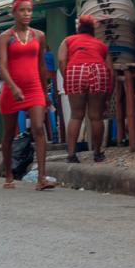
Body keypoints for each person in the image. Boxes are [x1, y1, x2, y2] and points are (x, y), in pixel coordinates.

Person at [0, 0, 52, 190]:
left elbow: (41, 66)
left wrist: (45, 93)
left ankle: (42, 177)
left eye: (29, 10)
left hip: (34, 87)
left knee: (38, 127)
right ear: (14, 13)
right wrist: (13, 87)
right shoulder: (6, 37)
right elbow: (2, 66)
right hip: (12, 89)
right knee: (9, 134)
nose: (26, 14)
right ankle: (9, 174)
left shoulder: (39, 35)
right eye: (22, 10)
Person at [57, 16, 114, 164]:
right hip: (98, 70)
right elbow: (110, 71)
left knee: (76, 115)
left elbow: (62, 61)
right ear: (93, 30)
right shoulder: (101, 45)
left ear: (78, 28)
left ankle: (71, 155)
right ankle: (97, 153)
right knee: (96, 116)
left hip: (76, 70)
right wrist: (108, 94)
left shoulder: (68, 40)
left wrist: (68, 78)